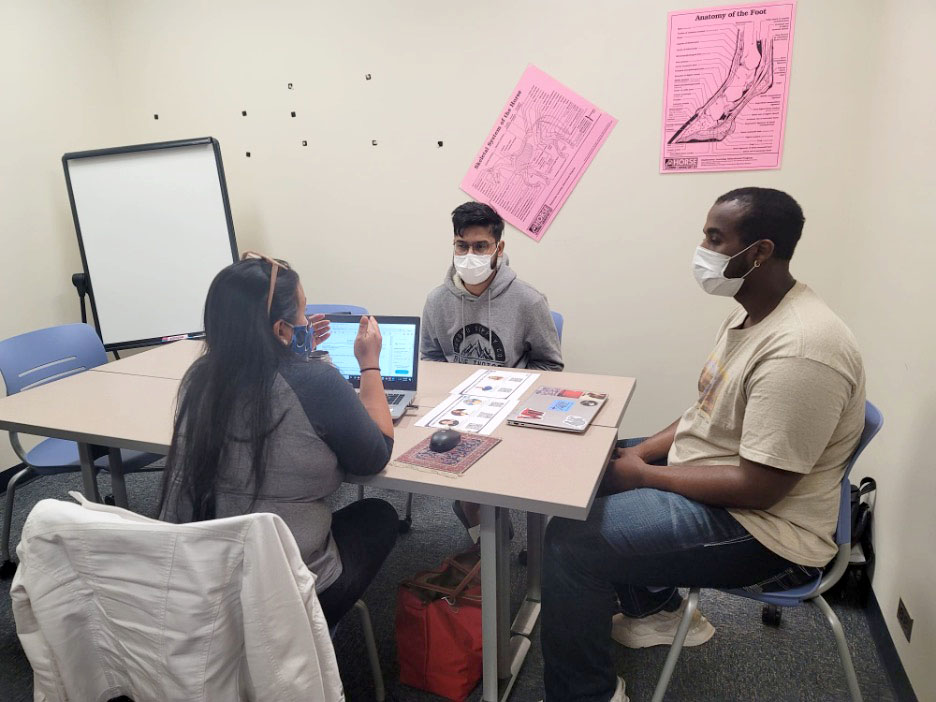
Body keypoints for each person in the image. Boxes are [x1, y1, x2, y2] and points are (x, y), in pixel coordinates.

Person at [540, 188, 866, 702]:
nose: (703, 250)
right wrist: (639, 454)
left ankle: (586, 694)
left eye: (716, 239)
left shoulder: (802, 349)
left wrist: (644, 474)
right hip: (722, 476)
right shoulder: (749, 314)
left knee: (569, 543)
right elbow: (705, 413)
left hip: (766, 530)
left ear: (759, 252)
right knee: (589, 465)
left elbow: (761, 488)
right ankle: (662, 612)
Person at [160, 252, 399, 627]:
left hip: (204, 578)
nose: (307, 321)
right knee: (380, 515)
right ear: (281, 330)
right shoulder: (318, 382)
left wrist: (291, 349)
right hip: (288, 589)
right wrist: (370, 363)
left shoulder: (199, 379)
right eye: (302, 313)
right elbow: (375, 454)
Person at [421, 201, 563, 538]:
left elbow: (551, 365)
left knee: (483, 482)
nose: (470, 255)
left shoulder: (528, 301)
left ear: (498, 248)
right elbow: (430, 358)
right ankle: (484, 539)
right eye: (462, 246)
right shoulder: (437, 301)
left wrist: (510, 392)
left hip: (510, 408)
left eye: (480, 246)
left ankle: (487, 532)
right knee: (445, 468)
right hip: (458, 409)